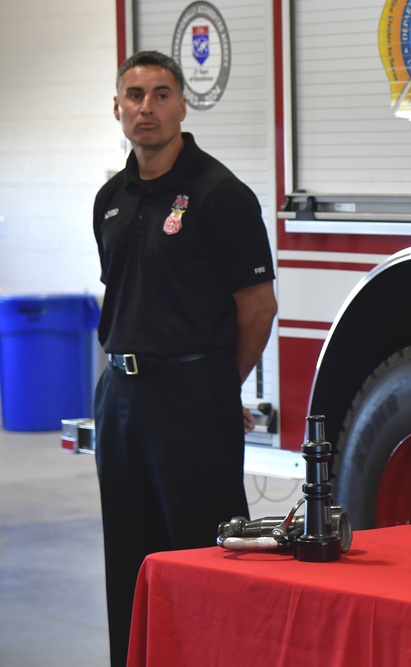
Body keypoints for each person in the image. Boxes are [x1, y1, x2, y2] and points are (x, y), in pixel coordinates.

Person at [92, 51, 277, 666]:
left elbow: (257, 307)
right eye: (136, 95)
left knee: (203, 555)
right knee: (129, 556)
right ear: (117, 106)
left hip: (192, 396)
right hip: (120, 397)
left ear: (182, 104)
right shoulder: (109, 199)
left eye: (162, 94)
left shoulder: (220, 195)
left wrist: (217, 387)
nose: (148, 107)